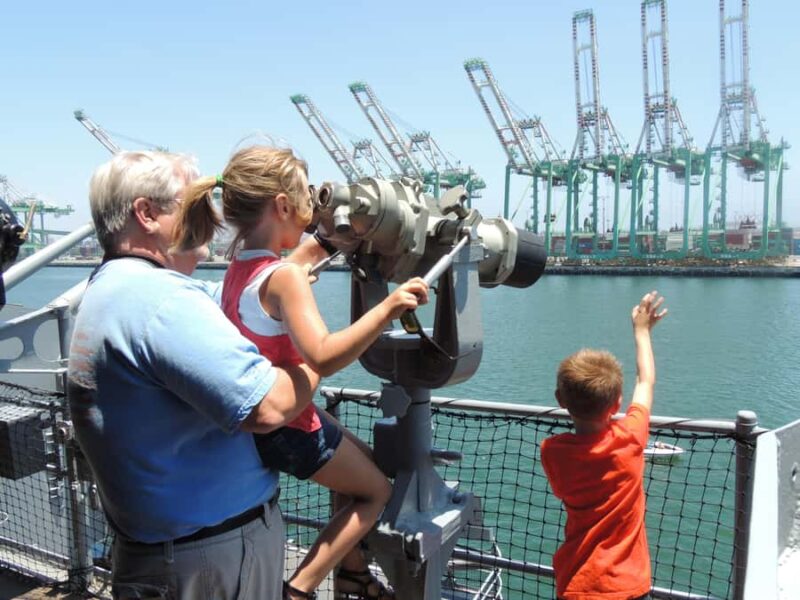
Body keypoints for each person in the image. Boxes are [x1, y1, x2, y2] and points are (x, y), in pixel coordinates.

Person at [172, 145, 429, 600]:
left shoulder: (242, 268)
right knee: (376, 493)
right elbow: (324, 355)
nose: (314, 208)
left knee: (366, 466)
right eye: (309, 199)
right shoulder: (284, 279)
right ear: (284, 206)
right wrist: (389, 306)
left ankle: (351, 570)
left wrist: (336, 236)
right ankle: (299, 588)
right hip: (290, 426)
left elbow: (301, 258)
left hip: (272, 420)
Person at [67, 150, 326, 600]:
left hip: (169, 553)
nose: (211, 217)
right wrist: (318, 354)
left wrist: (312, 251)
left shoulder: (114, 286)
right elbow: (269, 407)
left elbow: (233, 299)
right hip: (208, 562)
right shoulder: (158, 302)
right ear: (146, 214)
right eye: (194, 206)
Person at [540, 290, 668, 600]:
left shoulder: (552, 452)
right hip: (629, 586)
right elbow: (646, 380)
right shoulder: (631, 437)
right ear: (617, 402)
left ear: (560, 401)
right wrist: (641, 330)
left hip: (576, 582)